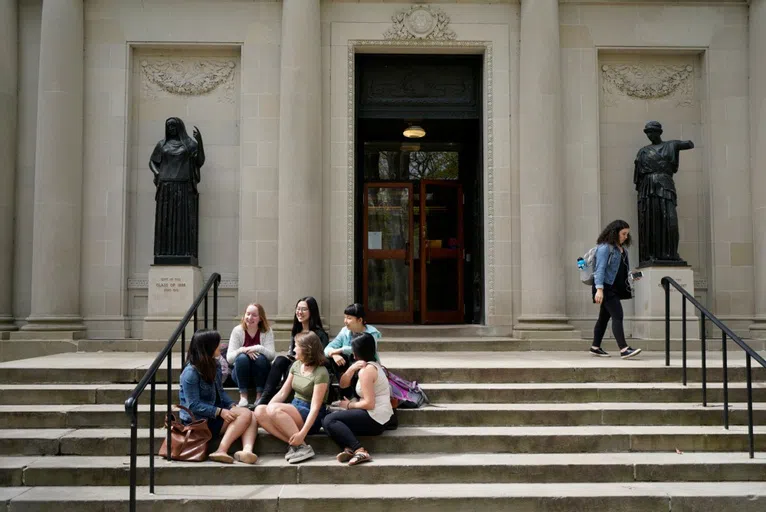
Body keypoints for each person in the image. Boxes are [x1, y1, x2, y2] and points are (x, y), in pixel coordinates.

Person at [179, 329, 258, 464]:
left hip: (214, 414)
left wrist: (231, 406)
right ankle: (221, 450)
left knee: (251, 415)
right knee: (245, 415)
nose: (221, 346)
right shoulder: (190, 373)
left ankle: (247, 451)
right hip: (199, 421)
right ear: (208, 347)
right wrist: (219, 411)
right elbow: (193, 405)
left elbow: (220, 392)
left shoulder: (214, 365)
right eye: (217, 343)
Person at [254, 331, 329, 464]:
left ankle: (301, 443)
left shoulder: (321, 372)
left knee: (274, 410)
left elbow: (315, 408)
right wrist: (267, 409)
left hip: (311, 414)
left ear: (307, 349)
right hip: (294, 407)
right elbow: (283, 393)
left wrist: (302, 433)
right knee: (259, 410)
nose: (293, 349)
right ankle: (299, 446)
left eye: (296, 346)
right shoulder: (296, 365)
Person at [322, 332, 393, 466]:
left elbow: (369, 404)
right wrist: (350, 370)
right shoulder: (366, 366)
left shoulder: (367, 370)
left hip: (376, 418)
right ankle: (349, 448)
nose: (352, 354)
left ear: (358, 351)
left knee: (329, 420)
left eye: (353, 350)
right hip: (372, 414)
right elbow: (343, 385)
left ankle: (359, 450)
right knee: (325, 419)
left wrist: (348, 405)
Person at [254, 297, 329, 406]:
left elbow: (320, 357)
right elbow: (293, 353)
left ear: (311, 311)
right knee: (279, 360)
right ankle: (264, 399)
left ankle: (282, 398)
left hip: (310, 367)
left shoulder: (320, 334)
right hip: (296, 363)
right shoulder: (296, 330)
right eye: (298, 309)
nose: (299, 312)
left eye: (303, 309)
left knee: (292, 366)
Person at [149, 117, 205, 264]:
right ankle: (164, 253)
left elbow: (199, 161)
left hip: (184, 186)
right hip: (166, 186)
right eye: (168, 126)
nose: (171, 128)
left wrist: (200, 143)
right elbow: (152, 162)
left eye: (173, 126)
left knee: (183, 220)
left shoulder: (190, 144)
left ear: (179, 127)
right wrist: (157, 174)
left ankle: (184, 251)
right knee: (166, 220)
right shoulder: (162, 145)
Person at [591, 220, 642, 359]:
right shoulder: (604, 248)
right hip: (606, 288)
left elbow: (622, 271)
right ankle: (624, 349)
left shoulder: (622, 250)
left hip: (615, 288)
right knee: (618, 315)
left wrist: (632, 276)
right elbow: (599, 270)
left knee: (603, 318)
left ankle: (595, 347)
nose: (626, 236)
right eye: (623, 233)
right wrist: (599, 289)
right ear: (614, 233)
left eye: (627, 234)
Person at [226, 303, 276, 407]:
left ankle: (259, 396)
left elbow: (271, 356)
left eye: (254, 315)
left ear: (260, 318)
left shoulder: (267, 331)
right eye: (247, 314)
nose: (250, 317)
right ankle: (243, 396)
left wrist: (258, 348)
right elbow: (229, 358)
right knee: (242, 358)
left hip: (261, 375)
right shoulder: (237, 331)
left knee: (260, 358)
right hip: (241, 376)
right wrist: (242, 350)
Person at [324, 303, 381, 390]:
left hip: (366, 364)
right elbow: (327, 348)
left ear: (359, 320)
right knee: (336, 359)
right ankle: (346, 392)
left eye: (349, 318)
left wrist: (341, 349)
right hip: (348, 365)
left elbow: (364, 349)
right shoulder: (345, 331)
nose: (345, 321)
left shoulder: (372, 333)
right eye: (345, 317)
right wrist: (334, 355)